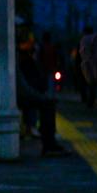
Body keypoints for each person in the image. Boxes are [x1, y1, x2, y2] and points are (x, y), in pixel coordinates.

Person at [17, 27, 70, 158]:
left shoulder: (24, 57)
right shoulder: (21, 58)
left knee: (47, 102)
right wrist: (41, 96)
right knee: (48, 104)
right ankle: (49, 144)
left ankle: (45, 139)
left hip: (23, 93)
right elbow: (23, 87)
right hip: (22, 95)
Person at [75, 24, 97, 106]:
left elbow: (78, 56)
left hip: (84, 65)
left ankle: (85, 99)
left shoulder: (82, 41)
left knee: (84, 83)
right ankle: (90, 101)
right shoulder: (95, 41)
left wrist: (77, 66)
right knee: (91, 84)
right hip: (92, 65)